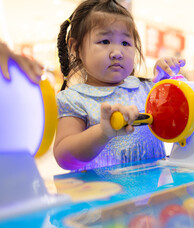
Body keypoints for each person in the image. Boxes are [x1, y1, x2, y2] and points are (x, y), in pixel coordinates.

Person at [54, 0, 185, 171]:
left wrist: (167, 82)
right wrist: (103, 132)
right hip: (103, 196)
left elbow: (182, 122)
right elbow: (65, 158)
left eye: (125, 43)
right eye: (105, 41)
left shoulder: (147, 89)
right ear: (75, 47)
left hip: (154, 194)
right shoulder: (74, 99)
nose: (117, 53)